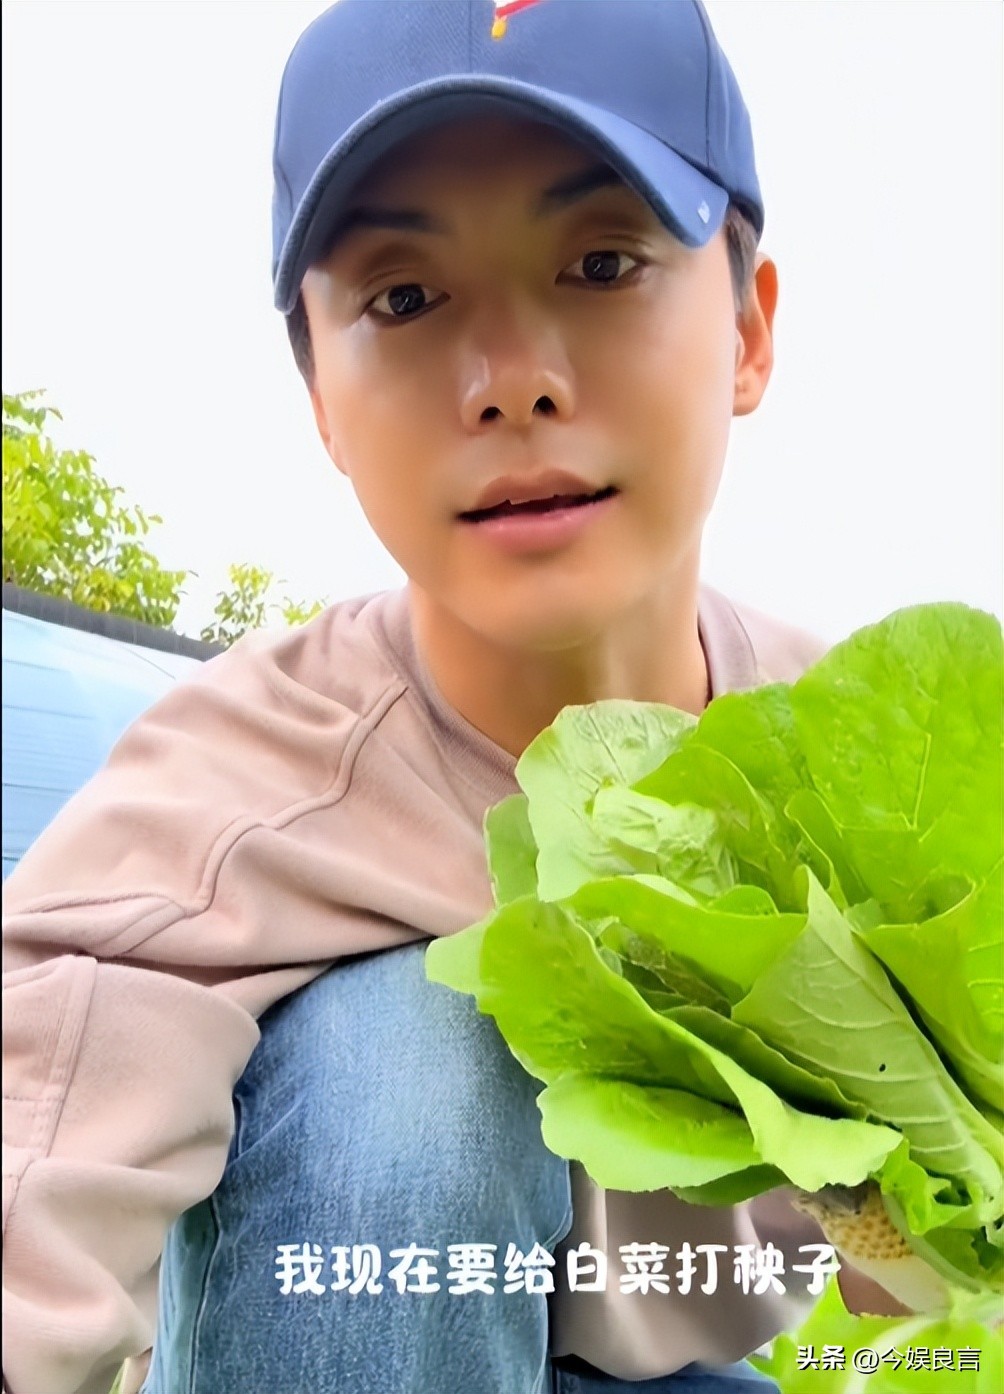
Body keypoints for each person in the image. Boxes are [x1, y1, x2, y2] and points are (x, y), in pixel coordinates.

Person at [1, 3, 902, 1391]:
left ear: (747, 328)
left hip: (687, 1365)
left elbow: (904, 1258)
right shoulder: (247, 777)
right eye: (405, 298)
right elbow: (36, 1160)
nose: (511, 383)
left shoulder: (857, 769)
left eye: (601, 262)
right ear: (320, 393)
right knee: (404, 1063)